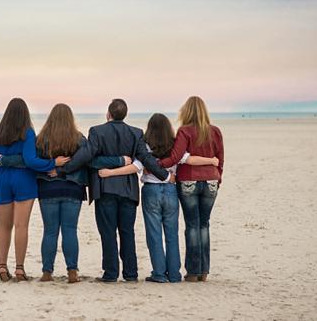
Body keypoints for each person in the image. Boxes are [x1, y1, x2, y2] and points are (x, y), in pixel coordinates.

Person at [0, 103, 125, 283]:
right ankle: (72, 272)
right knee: (70, 230)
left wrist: (3, 160)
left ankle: (47, 273)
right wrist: (119, 161)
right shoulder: (79, 139)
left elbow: (27, 161)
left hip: (48, 190)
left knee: (50, 232)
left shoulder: (41, 139)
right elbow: (88, 159)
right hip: (73, 188)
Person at [59, 99, 169, 282]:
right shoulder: (136, 133)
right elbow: (146, 159)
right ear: (124, 115)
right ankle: (130, 274)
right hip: (128, 191)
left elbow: (85, 157)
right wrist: (164, 176)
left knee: (108, 232)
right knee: (127, 232)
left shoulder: (96, 131)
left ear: (108, 114)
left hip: (105, 189)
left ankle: (110, 274)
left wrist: (63, 169)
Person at [99, 113, 217, 283]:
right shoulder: (175, 144)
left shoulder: (145, 145)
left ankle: (159, 274)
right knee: (172, 234)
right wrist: (212, 161)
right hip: (171, 191)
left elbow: (134, 167)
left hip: (151, 191)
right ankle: (174, 275)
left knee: (154, 235)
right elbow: (189, 159)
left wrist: (110, 172)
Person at [0, 98, 70, 281]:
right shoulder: (27, 133)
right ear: (25, 113)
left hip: (2, 180)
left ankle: (2, 267)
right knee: (21, 225)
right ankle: (19, 269)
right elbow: (30, 160)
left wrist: (2, 173)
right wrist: (53, 163)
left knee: (4, 226)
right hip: (23, 180)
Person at [155, 96, 224, 282]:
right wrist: (218, 180)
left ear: (186, 111)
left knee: (192, 225)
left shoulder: (184, 131)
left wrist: (156, 164)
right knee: (204, 224)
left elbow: (175, 157)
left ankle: (193, 271)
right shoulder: (215, 131)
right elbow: (220, 159)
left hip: (188, 181)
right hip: (211, 181)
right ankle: (204, 271)